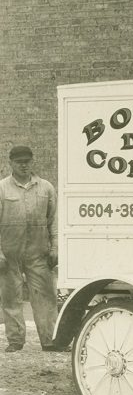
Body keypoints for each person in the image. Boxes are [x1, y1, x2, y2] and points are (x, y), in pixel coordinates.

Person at [0, 144, 58, 354]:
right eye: (19, 162)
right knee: (11, 297)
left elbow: (53, 221)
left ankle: (50, 340)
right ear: (11, 164)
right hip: (9, 254)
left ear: (32, 162)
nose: (24, 166)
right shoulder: (2, 188)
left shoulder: (46, 188)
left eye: (27, 161)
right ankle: (15, 340)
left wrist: (55, 248)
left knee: (45, 296)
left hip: (38, 252)